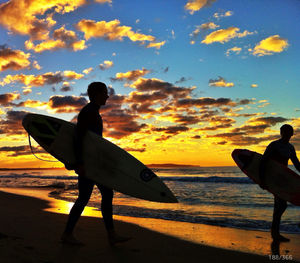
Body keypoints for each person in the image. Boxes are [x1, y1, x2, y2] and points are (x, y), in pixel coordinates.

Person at [61, 82, 130, 245]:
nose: (107, 96)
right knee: (87, 198)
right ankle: (68, 234)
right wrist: (80, 163)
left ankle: (109, 234)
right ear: (97, 94)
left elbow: (93, 141)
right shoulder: (89, 112)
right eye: (105, 93)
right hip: (88, 163)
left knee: (100, 195)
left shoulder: (93, 112)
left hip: (93, 163)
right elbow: (79, 138)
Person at [259, 124, 300, 242]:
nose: (287, 134)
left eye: (289, 132)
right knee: (281, 205)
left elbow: (297, 164)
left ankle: (275, 233)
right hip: (273, 179)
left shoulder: (290, 148)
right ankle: (275, 233)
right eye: (284, 132)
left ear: (292, 134)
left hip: (283, 179)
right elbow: (263, 162)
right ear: (281, 133)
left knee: (279, 205)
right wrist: (262, 180)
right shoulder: (274, 145)